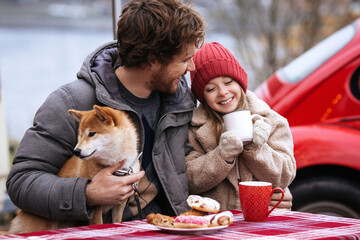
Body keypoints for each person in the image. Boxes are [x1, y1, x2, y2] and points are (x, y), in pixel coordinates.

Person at [6, 0, 205, 224]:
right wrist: (87, 193)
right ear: (152, 59)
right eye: (184, 60)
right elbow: (21, 182)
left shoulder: (181, 103)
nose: (191, 68)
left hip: (167, 229)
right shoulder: (71, 102)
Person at [186, 42, 296, 211]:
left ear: (240, 82)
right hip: (217, 222)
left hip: (263, 222)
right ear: (203, 96)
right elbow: (190, 181)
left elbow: (284, 176)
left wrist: (256, 148)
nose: (222, 92)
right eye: (211, 89)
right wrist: (221, 155)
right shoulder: (193, 129)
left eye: (228, 82)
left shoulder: (273, 121)